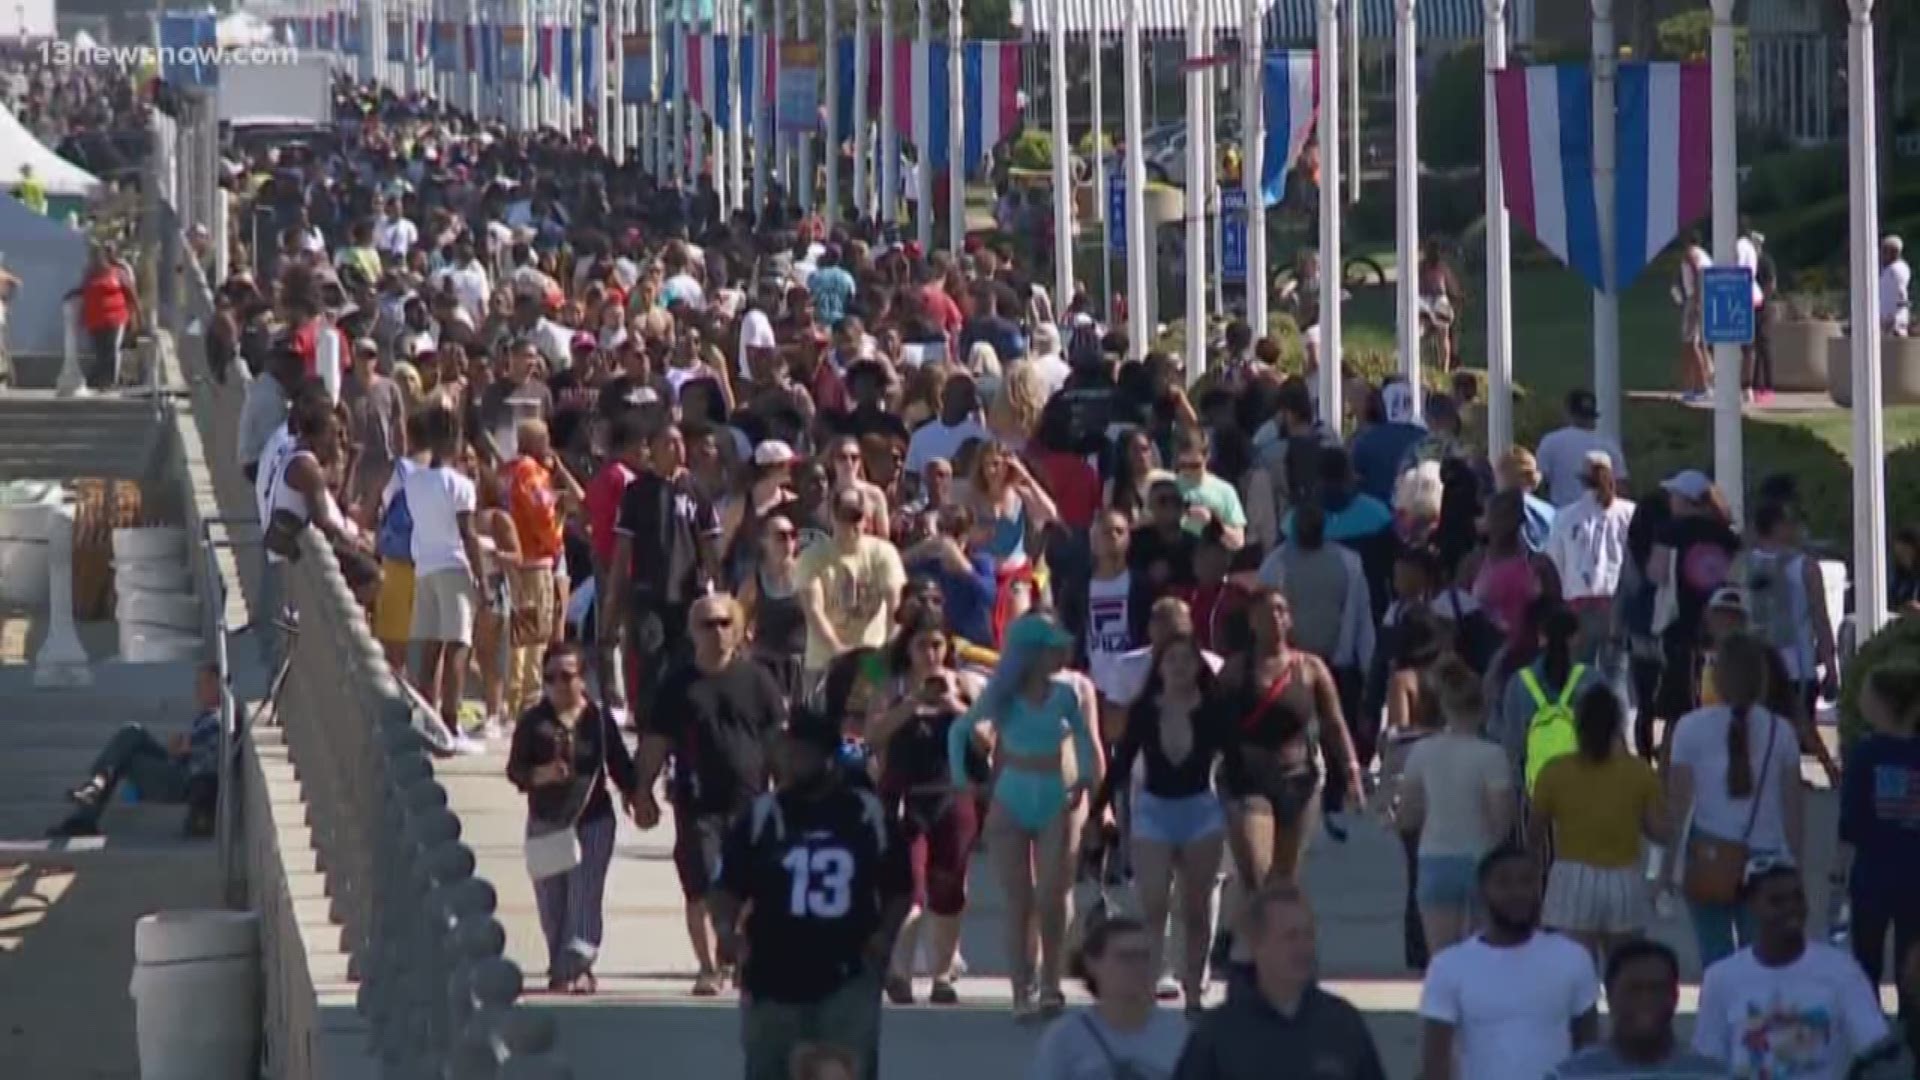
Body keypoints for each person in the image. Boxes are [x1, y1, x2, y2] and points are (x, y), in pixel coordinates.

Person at [711, 707, 912, 1080]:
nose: (792, 760)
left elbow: (899, 884)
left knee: (844, 1070)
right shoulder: (762, 816)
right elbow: (727, 884)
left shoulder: (865, 813)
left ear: (827, 757)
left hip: (846, 973)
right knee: (767, 1070)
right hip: (772, 974)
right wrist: (725, 932)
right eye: (789, 751)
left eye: (803, 752)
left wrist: (885, 935)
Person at [631, 594, 790, 996]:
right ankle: (707, 968)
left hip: (752, 801)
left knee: (751, 889)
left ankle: (739, 953)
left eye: (724, 623)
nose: (716, 631)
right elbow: (655, 742)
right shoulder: (677, 684)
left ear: (736, 629)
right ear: (690, 631)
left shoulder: (759, 680)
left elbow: (778, 742)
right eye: (707, 624)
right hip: (696, 801)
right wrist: (642, 791)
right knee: (700, 885)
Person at [951, 614, 1104, 1020]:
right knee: (1018, 898)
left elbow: (1091, 743)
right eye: (1051, 646)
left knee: (1054, 893)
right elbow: (970, 734)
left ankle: (1051, 983)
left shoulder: (1074, 688)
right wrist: (966, 777)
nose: (1061, 652)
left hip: (1063, 795)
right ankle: (1021, 987)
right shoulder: (1003, 691)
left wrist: (1097, 800)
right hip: (1012, 794)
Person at [1088, 629, 1231, 1015]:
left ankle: (1195, 991)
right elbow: (1122, 761)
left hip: (1201, 810)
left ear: (1198, 666)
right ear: (1160, 667)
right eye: (1171, 660)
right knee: (1153, 904)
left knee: (1197, 909)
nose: (1180, 667)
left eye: (1187, 660)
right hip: (1153, 811)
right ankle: (1151, 983)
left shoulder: (1214, 708)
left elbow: (1236, 758)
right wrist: (1097, 811)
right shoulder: (1145, 710)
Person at [1660, 632, 1805, 968]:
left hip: (1709, 856)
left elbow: (1678, 806)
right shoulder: (1780, 732)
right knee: (1763, 961)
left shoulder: (1689, 728)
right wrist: (1795, 867)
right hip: (1767, 861)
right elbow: (1794, 812)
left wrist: (1667, 869)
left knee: (1715, 959)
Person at [863, 611, 986, 1005]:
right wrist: (912, 703)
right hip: (904, 797)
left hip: (952, 793)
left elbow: (987, 741)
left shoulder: (966, 684)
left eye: (938, 645)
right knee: (908, 886)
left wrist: (955, 706)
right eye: (922, 646)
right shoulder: (893, 686)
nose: (931, 655)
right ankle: (898, 972)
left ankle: (941, 974)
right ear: (909, 649)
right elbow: (872, 734)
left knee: (948, 889)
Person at [505, 643, 639, 994]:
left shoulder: (598, 720)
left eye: (567, 676)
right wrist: (542, 775)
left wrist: (638, 796)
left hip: (593, 819)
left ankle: (577, 965)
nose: (558, 685)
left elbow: (621, 767)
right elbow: (515, 770)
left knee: (584, 894)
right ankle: (560, 964)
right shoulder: (534, 722)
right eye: (550, 678)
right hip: (547, 821)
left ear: (584, 678)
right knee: (552, 903)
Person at [1418, 845, 1601, 1080]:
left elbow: (1588, 1050)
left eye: (1527, 882)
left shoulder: (1573, 958)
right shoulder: (1449, 966)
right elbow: (1435, 1061)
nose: (1518, 892)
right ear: (1482, 892)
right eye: (1504, 883)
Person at [1171, 883, 1389, 1080]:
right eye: (1290, 936)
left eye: (1308, 935)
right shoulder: (1218, 1034)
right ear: (1256, 945)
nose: (1304, 947)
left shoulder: (1342, 1023)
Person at [1693, 863, 1889, 1080]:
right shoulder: (1720, 978)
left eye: (1797, 897)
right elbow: (1707, 1064)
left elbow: (1875, 1049)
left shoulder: (1843, 971)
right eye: (1776, 901)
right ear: (1751, 905)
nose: (1791, 908)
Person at [1529, 687, 1668, 964]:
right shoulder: (1639, 772)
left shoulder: (1554, 771)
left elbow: (1534, 833)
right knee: (1626, 969)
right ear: (1618, 724)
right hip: (1624, 879)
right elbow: (1659, 831)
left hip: (1571, 877)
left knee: (1574, 974)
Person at [603, 422, 723, 724]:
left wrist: (721, 595)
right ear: (652, 449)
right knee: (651, 665)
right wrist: (613, 606)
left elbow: (710, 548)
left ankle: (683, 737)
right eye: (669, 442)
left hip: (688, 596)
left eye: (681, 441)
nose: (678, 448)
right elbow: (622, 554)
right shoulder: (637, 492)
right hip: (648, 595)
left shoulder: (697, 490)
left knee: (686, 666)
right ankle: (650, 731)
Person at [1394, 658, 1514, 956]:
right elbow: (1502, 821)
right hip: (1481, 860)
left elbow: (1408, 816)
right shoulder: (1493, 756)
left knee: (1442, 958)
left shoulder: (1422, 752)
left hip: (1435, 858)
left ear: (1444, 707)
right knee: (1482, 956)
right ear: (1483, 709)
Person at [52, 663, 224, 838]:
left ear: (217, 683)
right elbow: (182, 749)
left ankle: (90, 802)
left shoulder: (221, 714)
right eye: (197, 684)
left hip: (185, 782)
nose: (197, 690)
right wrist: (180, 747)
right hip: (179, 770)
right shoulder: (208, 716)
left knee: (125, 757)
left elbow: (190, 746)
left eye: (202, 683)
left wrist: (182, 744)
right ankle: (95, 788)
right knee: (132, 732)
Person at [1837, 663, 1920, 1018]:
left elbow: (1851, 821)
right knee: (1912, 962)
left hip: (1871, 875)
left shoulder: (1866, 754)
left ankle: (1867, 1032)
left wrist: (1837, 872)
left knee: (1865, 960)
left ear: (1881, 704)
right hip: (1915, 875)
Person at [1028, 916, 1191, 1079]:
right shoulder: (1065, 1038)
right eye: (1126, 957)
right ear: (1092, 964)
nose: (1140, 967)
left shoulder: (1180, 1033)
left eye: (1145, 957)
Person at [406, 406, 486, 736]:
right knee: (458, 646)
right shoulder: (461, 485)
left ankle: (427, 719)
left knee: (429, 648)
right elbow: (469, 535)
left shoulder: (413, 481)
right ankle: (451, 724)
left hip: (424, 567)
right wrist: (482, 578)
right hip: (454, 567)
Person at [1545, 939, 1730, 1078]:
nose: (1645, 1000)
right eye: (1634, 989)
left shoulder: (1711, 1075)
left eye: (1656, 989)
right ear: (1609, 996)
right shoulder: (1570, 1076)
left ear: (1675, 997)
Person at [797, 488, 908, 691]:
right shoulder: (812, 556)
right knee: (819, 720)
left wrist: (886, 654)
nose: (850, 525)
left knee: (874, 717)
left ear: (866, 518)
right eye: (844, 517)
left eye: (856, 517)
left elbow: (896, 608)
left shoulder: (884, 553)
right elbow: (813, 610)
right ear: (833, 516)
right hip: (824, 660)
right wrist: (841, 654)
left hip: (873, 658)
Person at [1534, 390, 1629, 509]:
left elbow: (1538, 482)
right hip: (1601, 513)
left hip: (1562, 512)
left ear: (1568, 412)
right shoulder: (1607, 444)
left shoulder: (1551, 441)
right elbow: (1620, 485)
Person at [69, 242, 140, 390]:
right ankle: (98, 380)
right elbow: (84, 290)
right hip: (95, 319)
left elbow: (131, 294)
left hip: (115, 317)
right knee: (100, 351)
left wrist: (137, 316)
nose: (96, 260)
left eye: (99, 257)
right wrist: (72, 294)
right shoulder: (89, 274)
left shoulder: (119, 272)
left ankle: (108, 382)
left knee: (111, 349)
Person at [1881, 235, 1910, 337]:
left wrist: (1894, 319)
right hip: (1887, 322)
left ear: (1895, 251)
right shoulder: (1889, 269)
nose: (1882, 254)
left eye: (1885, 250)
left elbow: (1901, 294)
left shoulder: (1896, 269)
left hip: (1893, 324)